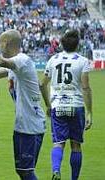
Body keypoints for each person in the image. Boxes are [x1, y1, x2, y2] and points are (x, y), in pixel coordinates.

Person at [0, 29, 46, 180]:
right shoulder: (15, 65)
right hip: (24, 123)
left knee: (26, 171)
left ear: (6, 43)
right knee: (22, 170)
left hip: (31, 125)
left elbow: (2, 62)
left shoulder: (22, 59)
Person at [40, 30, 92, 180]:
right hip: (76, 106)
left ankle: (56, 170)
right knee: (76, 145)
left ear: (62, 43)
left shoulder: (53, 60)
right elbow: (86, 88)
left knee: (58, 143)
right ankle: (74, 178)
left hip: (58, 106)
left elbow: (42, 84)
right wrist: (89, 112)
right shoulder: (82, 61)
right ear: (78, 44)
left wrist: (48, 105)